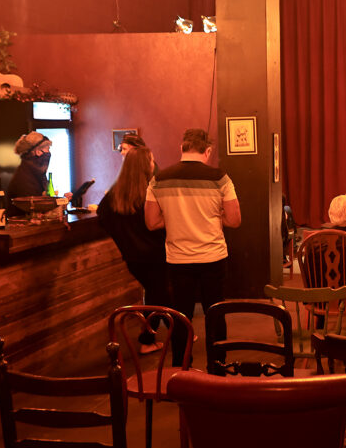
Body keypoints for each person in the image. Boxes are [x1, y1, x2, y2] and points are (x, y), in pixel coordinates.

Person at [145, 128, 241, 365]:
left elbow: (152, 222)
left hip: (178, 259)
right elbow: (234, 220)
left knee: (180, 315)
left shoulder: (159, 179)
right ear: (207, 150)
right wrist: (210, 216)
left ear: (182, 148)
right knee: (215, 312)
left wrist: (176, 216)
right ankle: (217, 365)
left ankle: (180, 366)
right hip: (213, 256)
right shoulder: (220, 178)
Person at [97, 146, 169, 354]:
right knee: (159, 295)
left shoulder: (113, 196)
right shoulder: (151, 192)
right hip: (157, 255)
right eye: (152, 160)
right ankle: (150, 339)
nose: (154, 164)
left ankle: (169, 332)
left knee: (157, 295)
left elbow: (103, 218)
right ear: (146, 165)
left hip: (133, 258)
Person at [8, 132, 71, 201]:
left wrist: (61, 201)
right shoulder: (25, 177)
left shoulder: (34, 173)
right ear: (38, 151)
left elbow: (44, 199)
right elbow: (35, 207)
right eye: (48, 149)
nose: (49, 153)